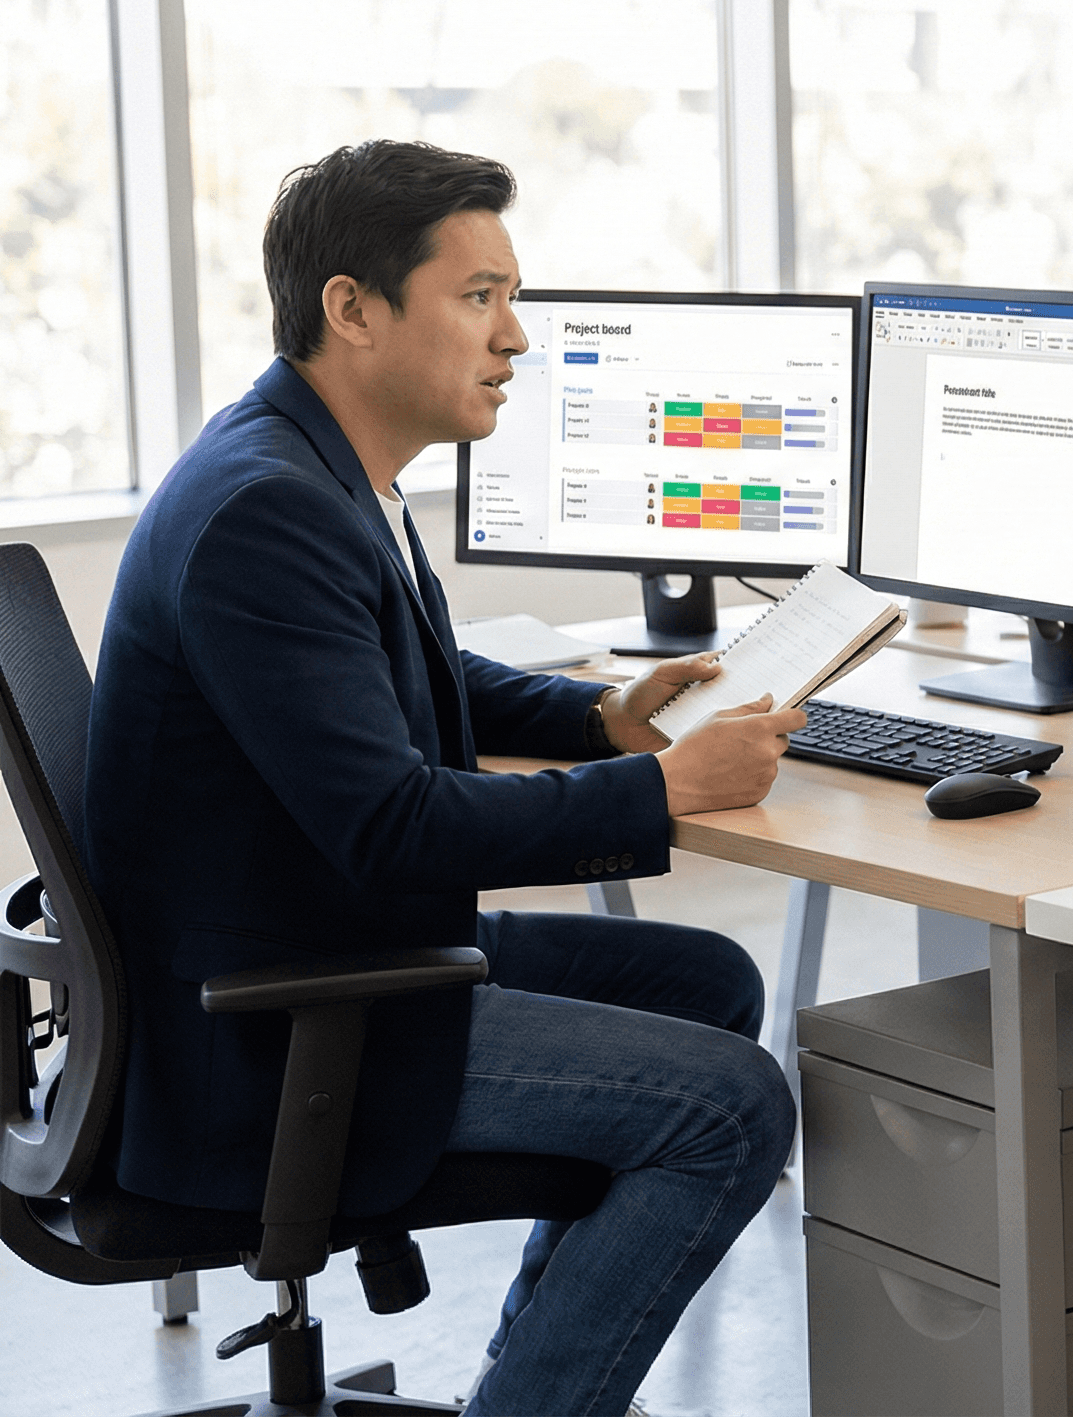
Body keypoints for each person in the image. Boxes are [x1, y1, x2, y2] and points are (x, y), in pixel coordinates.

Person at [86, 140, 807, 1417]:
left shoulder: (305, 466)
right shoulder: (267, 510)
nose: (517, 337)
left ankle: (533, 1379)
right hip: (270, 1035)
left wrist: (600, 716)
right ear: (352, 309)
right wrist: (670, 791)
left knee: (705, 984)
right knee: (730, 1108)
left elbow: (416, 672)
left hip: (301, 962)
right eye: (479, 297)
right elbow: (393, 825)